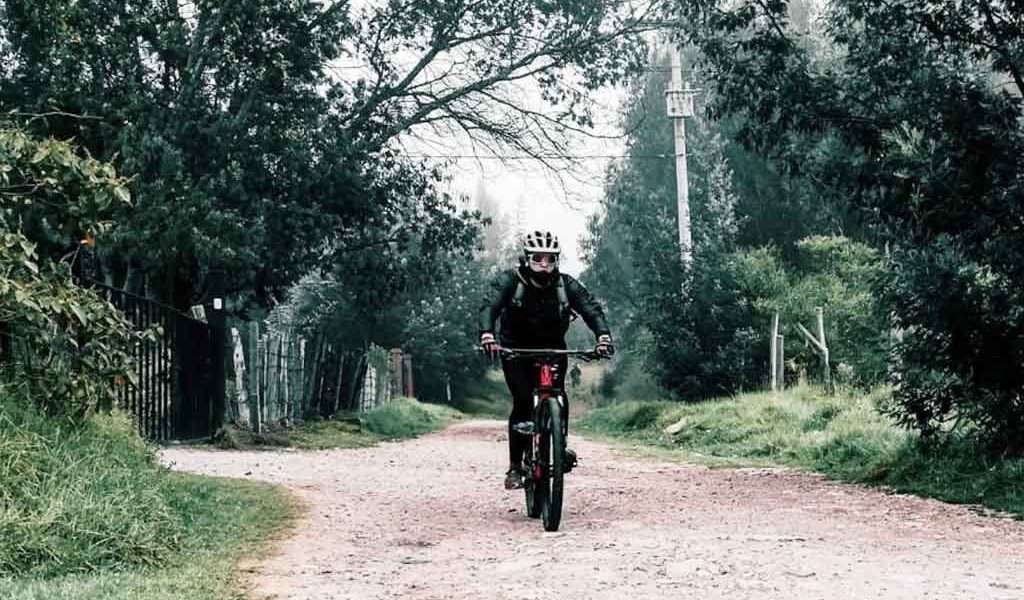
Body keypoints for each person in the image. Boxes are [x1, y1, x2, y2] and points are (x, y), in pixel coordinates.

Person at [479, 230, 613, 490]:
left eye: (550, 259)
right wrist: (487, 334)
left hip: (552, 348)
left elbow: (591, 308)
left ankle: (560, 444)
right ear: (527, 258)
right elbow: (490, 305)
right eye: (538, 258)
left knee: (558, 394)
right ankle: (515, 467)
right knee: (522, 400)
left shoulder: (566, 284)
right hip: (515, 349)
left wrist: (603, 336)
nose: (544, 264)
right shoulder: (511, 281)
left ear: (556, 261)